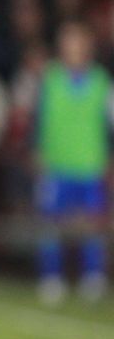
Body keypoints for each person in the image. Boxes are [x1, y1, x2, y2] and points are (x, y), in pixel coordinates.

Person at [32, 20, 110, 305]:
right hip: (56, 163)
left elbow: (108, 124)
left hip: (90, 162)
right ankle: (51, 275)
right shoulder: (50, 78)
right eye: (67, 42)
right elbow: (38, 120)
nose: (72, 48)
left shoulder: (102, 81)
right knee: (51, 222)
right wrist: (38, 151)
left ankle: (93, 275)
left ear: (88, 46)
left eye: (77, 42)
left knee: (92, 222)